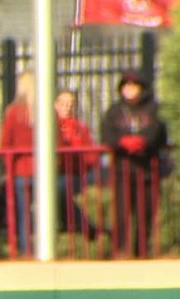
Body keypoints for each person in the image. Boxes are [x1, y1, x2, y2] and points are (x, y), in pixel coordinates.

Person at [101, 68, 168, 257]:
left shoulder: (153, 108)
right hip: (123, 169)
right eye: (126, 85)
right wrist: (123, 143)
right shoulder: (114, 111)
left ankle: (142, 250)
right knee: (122, 212)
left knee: (145, 211)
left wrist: (142, 142)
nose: (129, 89)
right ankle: (121, 249)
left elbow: (157, 132)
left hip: (147, 169)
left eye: (133, 85)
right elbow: (107, 134)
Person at [55, 89, 101, 239]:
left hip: (74, 173)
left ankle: (81, 226)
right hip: (57, 172)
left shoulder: (79, 127)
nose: (66, 107)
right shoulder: (49, 126)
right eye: (62, 103)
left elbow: (91, 154)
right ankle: (83, 226)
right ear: (55, 104)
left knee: (60, 189)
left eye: (70, 104)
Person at [0, 71, 35, 255]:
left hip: (21, 170)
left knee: (23, 215)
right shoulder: (46, 111)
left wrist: (7, 170)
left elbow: (5, 143)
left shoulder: (13, 112)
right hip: (42, 170)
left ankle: (25, 250)